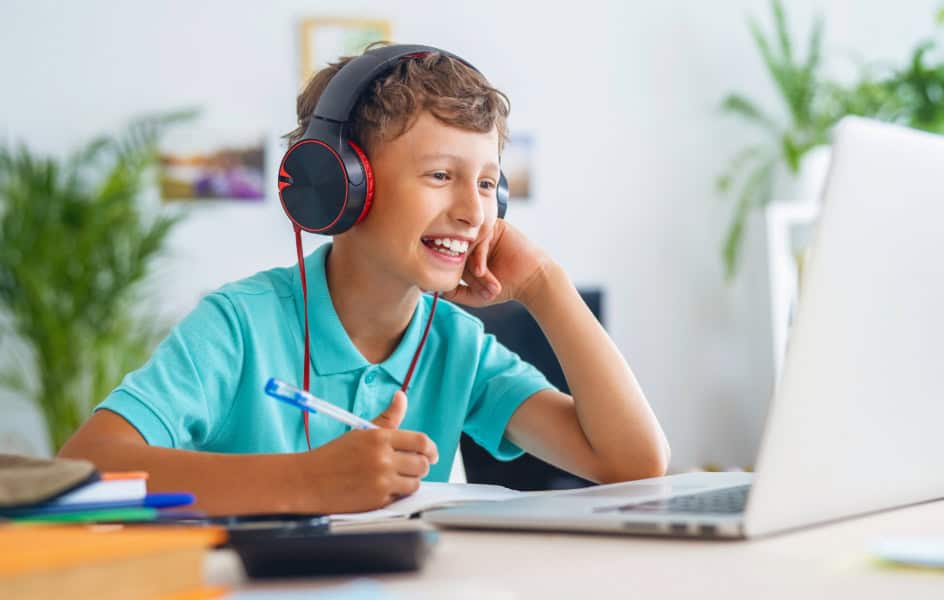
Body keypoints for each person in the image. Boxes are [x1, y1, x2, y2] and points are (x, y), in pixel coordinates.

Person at [59, 44, 669, 515]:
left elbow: (634, 463)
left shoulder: (455, 343)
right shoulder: (241, 326)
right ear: (342, 186)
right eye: (439, 175)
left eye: (487, 183)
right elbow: (87, 465)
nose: (474, 211)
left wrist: (543, 281)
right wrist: (308, 482)